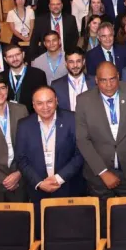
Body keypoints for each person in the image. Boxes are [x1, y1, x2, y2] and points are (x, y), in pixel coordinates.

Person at [75, 62, 126, 231]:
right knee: (103, 226)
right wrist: (103, 172)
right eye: (103, 80)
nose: (108, 85)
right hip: (99, 176)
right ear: (96, 80)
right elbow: (82, 140)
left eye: (112, 79)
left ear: (118, 77)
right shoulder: (83, 101)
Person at [15, 86, 84, 236]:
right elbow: (21, 158)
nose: (45, 107)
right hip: (38, 190)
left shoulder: (72, 119)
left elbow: (80, 154)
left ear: (56, 101)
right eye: (40, 103)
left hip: (68, 187)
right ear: (33, 105)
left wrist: (58, 179)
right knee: (43, 234)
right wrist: (40, 183)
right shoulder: (24, 125)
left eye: (49, 102)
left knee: (70, 233)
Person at [3, 44, 48, 114]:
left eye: (17, 54)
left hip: (32, 116)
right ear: (5, 59)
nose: (15, 59)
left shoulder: (38, 74)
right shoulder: (1, 77)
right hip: (9, 116)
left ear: (23, 54)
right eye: (10, 56)